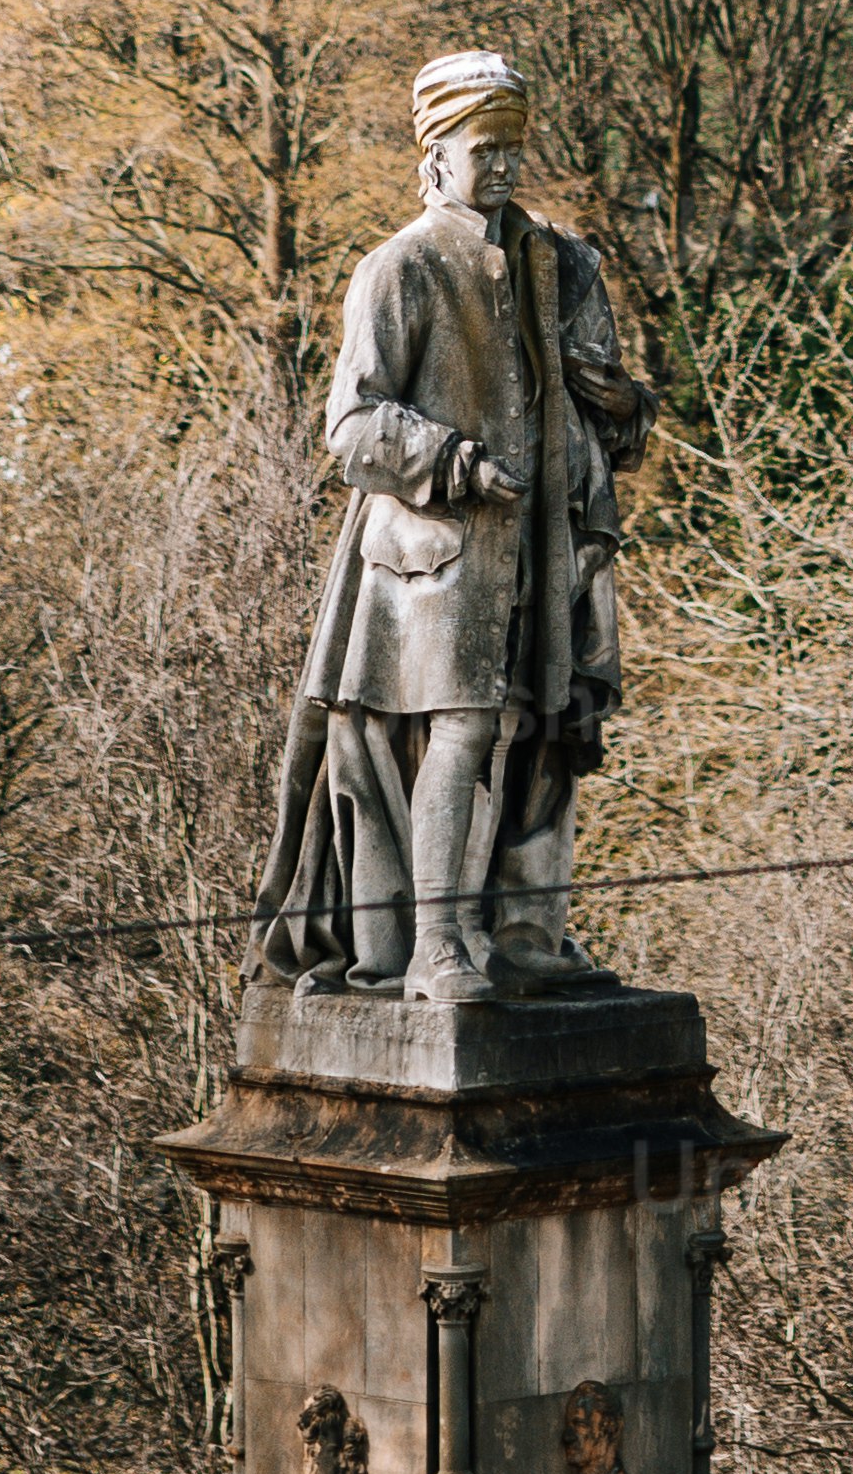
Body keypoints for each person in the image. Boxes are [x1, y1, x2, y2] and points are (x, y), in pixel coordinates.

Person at [252, 50, 655, 1001]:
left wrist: (615, 398)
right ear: (436, 156)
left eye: (515, 146)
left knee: (543, 732)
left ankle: (522, 934)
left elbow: (621, 421)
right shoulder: (398, 270)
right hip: (433, 559)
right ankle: (433, 947)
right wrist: (455, 462)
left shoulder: (564, 264)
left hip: (548, 547)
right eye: (486, 147)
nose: (506, 165)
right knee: (463, 732)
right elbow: (351, 428)